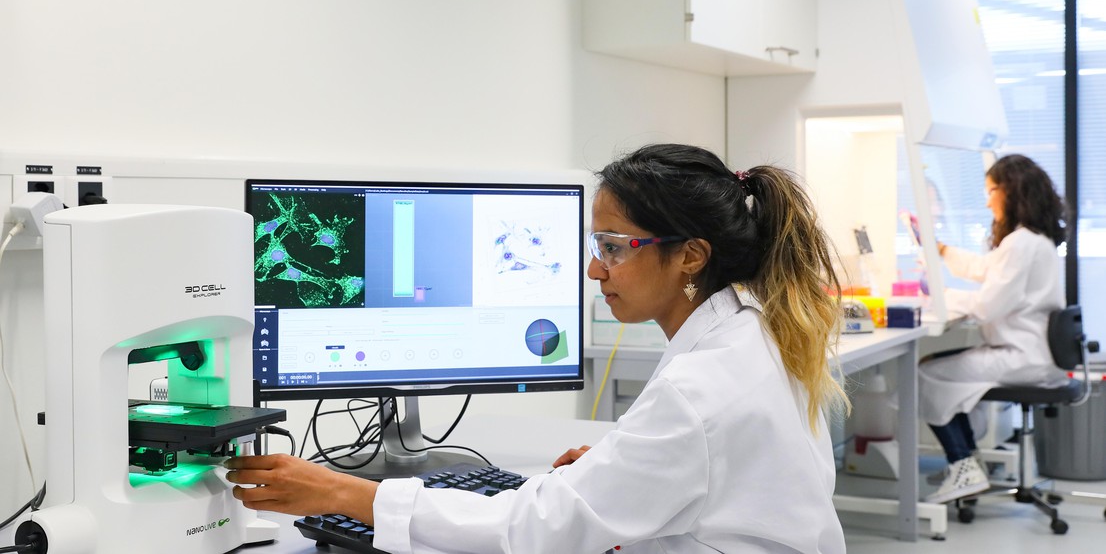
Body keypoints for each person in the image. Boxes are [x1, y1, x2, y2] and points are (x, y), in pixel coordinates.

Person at [225, 143, 849, 553]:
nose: (593, 270)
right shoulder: (759, 330)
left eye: (613, 248)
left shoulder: (701, 385)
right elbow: (727, 464)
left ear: (690, 255)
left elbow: (534, 529)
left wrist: (340, 493)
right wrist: (620, 462)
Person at [920, 154, 1067, 504]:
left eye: (991, 191)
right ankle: (969, 464)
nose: (987, 200)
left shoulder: (1021, 242)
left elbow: (988, 305)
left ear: (1012, 190)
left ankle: (963, 463)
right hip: (1031, 352)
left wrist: (937, 297)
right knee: (937, 366)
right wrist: (938, 249)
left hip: (1020, 356)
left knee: (926, 373)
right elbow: (986, 269)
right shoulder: (1034, 239)